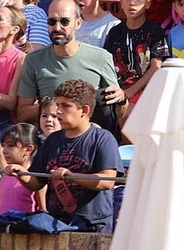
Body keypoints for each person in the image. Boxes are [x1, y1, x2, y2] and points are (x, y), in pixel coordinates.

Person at [20, 79, 120, 232]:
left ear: (85, 110)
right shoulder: (52, 140)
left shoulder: (103, 139)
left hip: (93, 226)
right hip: (56, 224)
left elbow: (107, 181)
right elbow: (36, 182)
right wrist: (19, 173)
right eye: (58, 105)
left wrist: (71, 176)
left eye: (66, 106)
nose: (58, 111)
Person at [14, 0, 123, 133]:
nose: (57, 27)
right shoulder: (33, 60)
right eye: (52, 21)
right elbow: (22, 113)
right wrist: (55, 106)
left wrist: (122, 99)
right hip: (52, 138)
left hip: (90, 138)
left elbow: (118, 111)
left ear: (78, 23)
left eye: (65, 21)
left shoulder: (101, 57)